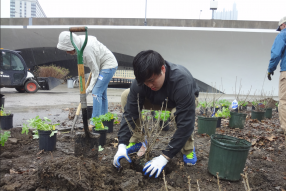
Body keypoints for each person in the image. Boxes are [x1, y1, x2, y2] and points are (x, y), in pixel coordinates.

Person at [113, 50, 200, 178]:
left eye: (151, 80)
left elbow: (186, 123)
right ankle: (136, 140)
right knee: (126, 95)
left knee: (178, 114)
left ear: (163, 69)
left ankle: (187, 150)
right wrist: (121, 144)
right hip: (155, 100)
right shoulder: (141, 82)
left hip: (177, 102)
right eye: (145, 83)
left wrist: (165, 157)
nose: (149, 85)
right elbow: (130, 112)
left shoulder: (181, 81)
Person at [57, 31, 118, 129]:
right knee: (102, 93)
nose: (67, 52)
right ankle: (103, 118)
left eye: (67, 49)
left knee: (96, 92)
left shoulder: (86, 51)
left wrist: (88, 89)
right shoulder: (80, 41)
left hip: (108, 66)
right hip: (101, 65)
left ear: (72, 45)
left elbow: (95, 72)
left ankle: (94, 122)